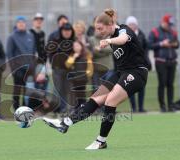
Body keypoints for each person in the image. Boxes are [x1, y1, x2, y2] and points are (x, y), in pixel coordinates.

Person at [43, 8, 149, 150]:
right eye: (97, 29)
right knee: (95, 99)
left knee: (110, 101)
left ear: (110, 24)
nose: (99, 31)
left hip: (137, 73)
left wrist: (109, 40)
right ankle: (65, 123)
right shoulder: (111, 32)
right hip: (121, 72)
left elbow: (123, 39)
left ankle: (101, 141)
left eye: (100, 28)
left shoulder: (123, 30)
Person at [148, 14, 179, 112]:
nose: (170, 26)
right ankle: (162, 106)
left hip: (172, 61)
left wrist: (175, 44)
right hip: (161, 61)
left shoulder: (173, 32)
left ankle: (170, 105)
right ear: (163, 22)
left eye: (171, 24)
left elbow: (177, 44)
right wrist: (162, 44)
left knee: (170, 84)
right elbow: (149, 45)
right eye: (168, 24)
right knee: (162, 83)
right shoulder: (155, 32)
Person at [6, 16, 36, 110]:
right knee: (17, 90)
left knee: (27, 90)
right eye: (19, 22)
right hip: (18, 68)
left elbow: (33, 52)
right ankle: (16, 109)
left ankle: (25, 109)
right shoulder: (12, 37)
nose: (21, 24)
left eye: (23, 22)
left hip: (29, 68)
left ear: (25, 24)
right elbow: (9, 54)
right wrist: (13, 68)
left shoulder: (30, 36)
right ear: (16, 24)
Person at [46, 23, 75, 113]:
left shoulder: (74, 40)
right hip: (57, 68)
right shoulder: (55, 39)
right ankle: (61, 108)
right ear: (61, 31)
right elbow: (49, 52)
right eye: (65, 31)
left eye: (69, 31)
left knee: (69, 88)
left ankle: (70, 108)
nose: (67, 33)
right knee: (59, 89)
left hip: (70, 69)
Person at [126, 16, 151, 113]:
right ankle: (133, 108)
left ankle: (141, 107)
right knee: (131, 86)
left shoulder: (141, 35)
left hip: (140, 65)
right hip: (129, 66)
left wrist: (146, 61)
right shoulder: (124, 35)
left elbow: (146, 49)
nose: (132, 26)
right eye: (130, 24)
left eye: (134, 24)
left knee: (141, 86)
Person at [65, 40, 93, 108]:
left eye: (77, 45)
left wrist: (88, 74)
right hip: (75, 78)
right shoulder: (72, 55)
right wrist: (74, 57)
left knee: (82, 93)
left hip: (83, 78)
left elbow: (90, 66)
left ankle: (83, 106)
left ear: (81, 46)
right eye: (74, 46)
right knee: (75, 93)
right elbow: (67, 65)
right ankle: (77, 107)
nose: (76, 47)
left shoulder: (86, 54)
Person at [88, 17, 114, 90]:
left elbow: (111, 49)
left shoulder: (109, 38)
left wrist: (100, 49)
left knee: (108, 90)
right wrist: (104, 51)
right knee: (96, 91)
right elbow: (93, 52)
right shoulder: (91, 39)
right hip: (96, 69)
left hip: (108, 68)